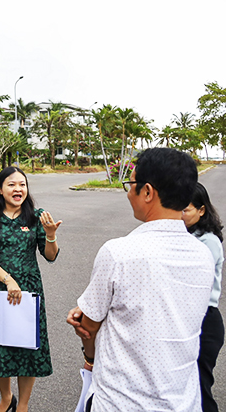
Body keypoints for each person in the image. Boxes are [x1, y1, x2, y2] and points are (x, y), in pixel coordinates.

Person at [67, 148, 214, 412]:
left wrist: (88, 351)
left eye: (131, 184)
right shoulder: (203, 254)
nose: (127, 192)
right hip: (183, 402)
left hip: (121, 402)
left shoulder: (118, 253)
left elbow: (88, 326)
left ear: (147, 192)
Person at [0, 166, 61, 412]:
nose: (18, 189)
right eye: (11, 184)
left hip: (29, 291)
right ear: (0, 189)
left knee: (27, 348)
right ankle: (6, 397)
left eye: (22, 184)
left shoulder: (36, 216)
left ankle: (22, 405)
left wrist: (51, 235)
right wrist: (9, 280)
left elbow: (50, 256)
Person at [181, 182, 224, 412]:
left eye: (185, 210)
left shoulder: (207, 241)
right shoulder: (186, 234)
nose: (180, 215)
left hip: (205, 321)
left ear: (201, 210)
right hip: (189, 318)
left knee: (200, 388)